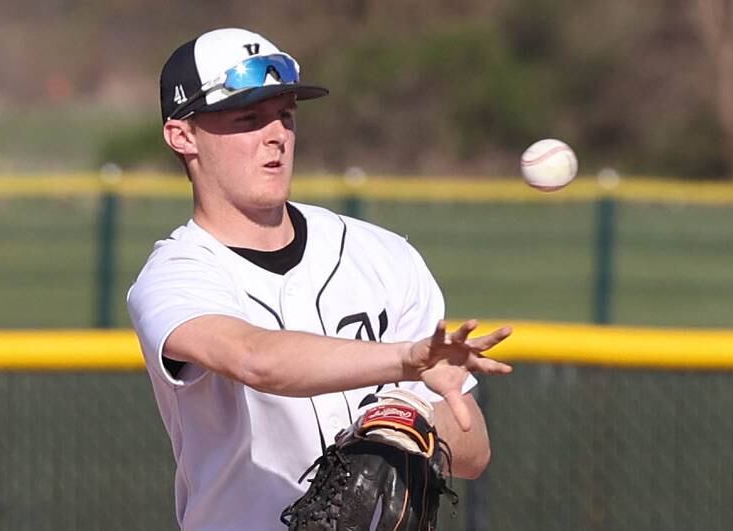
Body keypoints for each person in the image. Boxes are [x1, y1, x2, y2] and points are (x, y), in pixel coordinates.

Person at [127, 27, 513, 531]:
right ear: (182, 135)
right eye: (248, 118)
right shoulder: (176, 276)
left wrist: (408, 423)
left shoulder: (383, 256)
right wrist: (402, 360)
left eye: (285, 115)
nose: (276, 136)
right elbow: (255, 358)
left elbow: (473, 449)